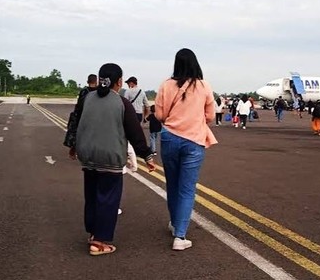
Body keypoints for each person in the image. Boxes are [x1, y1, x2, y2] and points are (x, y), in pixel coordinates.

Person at [71, 63, 155, 256]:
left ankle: (93, 233)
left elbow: (76, 123)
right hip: (110, 158)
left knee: (91, 196)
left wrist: (74, 147)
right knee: (108, 199)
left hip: (88, 157)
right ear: (118, 82)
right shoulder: (121, 103)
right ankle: (99, 242)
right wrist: (147, 156)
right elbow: (135, 134)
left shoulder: (86, 98)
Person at [154, 48, 217, 251]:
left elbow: (160, 114)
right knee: (187, 188)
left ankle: (175, 223)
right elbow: (210, 116)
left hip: (170, 137)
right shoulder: (204, 86)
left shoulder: (166, 85)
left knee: (172, 184)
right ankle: (180, 236)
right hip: (194, 140)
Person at [64, 74, 98, 149]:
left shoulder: (84, 92)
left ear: (87, 81)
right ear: (96, 81)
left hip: (84, 118)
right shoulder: (99, 92)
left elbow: (78, 107)